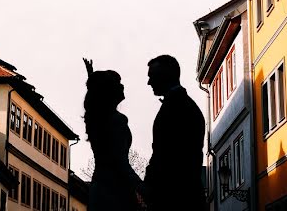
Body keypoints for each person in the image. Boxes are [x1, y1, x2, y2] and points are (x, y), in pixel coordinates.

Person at [144, 54, 206, 211]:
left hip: (174, 197)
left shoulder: (177, 107)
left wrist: (150, 186)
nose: (149, 82)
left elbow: (164, 154)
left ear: (166, 75)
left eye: (152, 76)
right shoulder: (185, 105)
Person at [83, 58, 144, 211]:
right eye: (117, 83)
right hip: (115, 190)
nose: (122, 85)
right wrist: (142, 187)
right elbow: (120, 163)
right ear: (108, 91)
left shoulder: (98, 120)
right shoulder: (115, 121)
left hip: (101, 187)